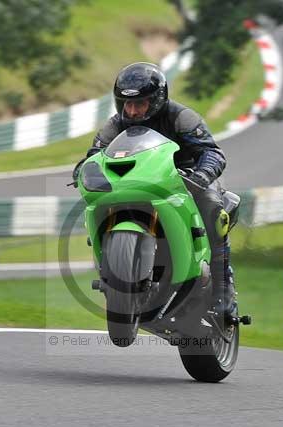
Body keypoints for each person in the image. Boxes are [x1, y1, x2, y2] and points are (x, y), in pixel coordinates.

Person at [72, 62, 235, 316]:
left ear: (157, 100)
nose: (133, 110)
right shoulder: (115, 126)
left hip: (186, 181)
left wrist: (201, 175)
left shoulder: (181, 117)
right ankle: (117, 276)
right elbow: (94, 156)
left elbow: (212, 152)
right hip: (138, 184)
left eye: (140, 104)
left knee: (214, 211)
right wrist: (82, 171)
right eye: (128, 104)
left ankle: (223, 288)